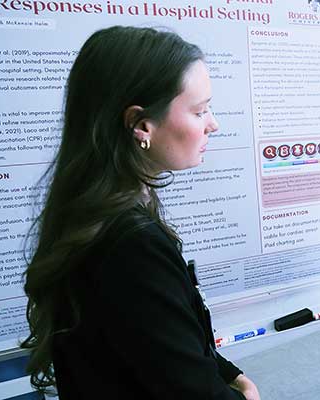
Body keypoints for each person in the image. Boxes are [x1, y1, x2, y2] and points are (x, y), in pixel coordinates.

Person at [20, 26, 260, 400]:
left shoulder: (93, 208)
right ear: (141, 124)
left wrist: (226, 371)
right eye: (199, 111)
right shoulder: (132, 245)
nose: (213, 123)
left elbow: (158, 339)